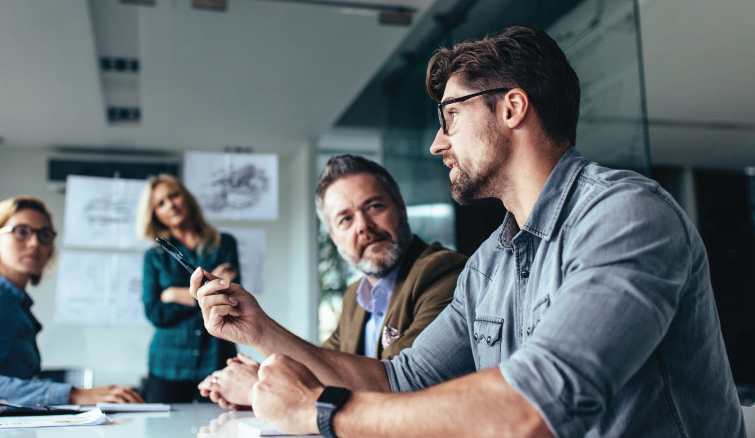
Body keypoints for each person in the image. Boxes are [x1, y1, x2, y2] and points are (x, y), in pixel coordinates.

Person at [190, 25, 745, 437]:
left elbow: (535, 408)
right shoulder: (489, 264)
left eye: (450, 116)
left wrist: (319, 412)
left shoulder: (626, 216)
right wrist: (259, 331)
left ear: (512, 108)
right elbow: (399, 380)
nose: (437, 143)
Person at [196, 155, 466, 408]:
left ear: (401, 207)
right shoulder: (355, 297)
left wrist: (259, 387)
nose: (363, 225)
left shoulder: (443, 273)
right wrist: (264, 368)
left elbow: (399, 387)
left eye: (373, 206)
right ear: (334, 237)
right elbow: (321, 370)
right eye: (345, 219)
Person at [0, 195, 143, 406]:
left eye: (44, 235)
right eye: (21, 232)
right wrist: (74, 394)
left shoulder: (12, 301)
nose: (35, 243)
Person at [137, 174, 239, 403]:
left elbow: (229, 300)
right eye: (160, 203)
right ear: (155, 215)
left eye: (174, 196)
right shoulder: (154, 257)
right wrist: (206, 294)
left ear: (186, 198)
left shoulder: (224, 244)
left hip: (216, 358)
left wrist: (173, 294)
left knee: (220, 430)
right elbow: (155, 312)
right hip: (168, 364)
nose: (170, 204)